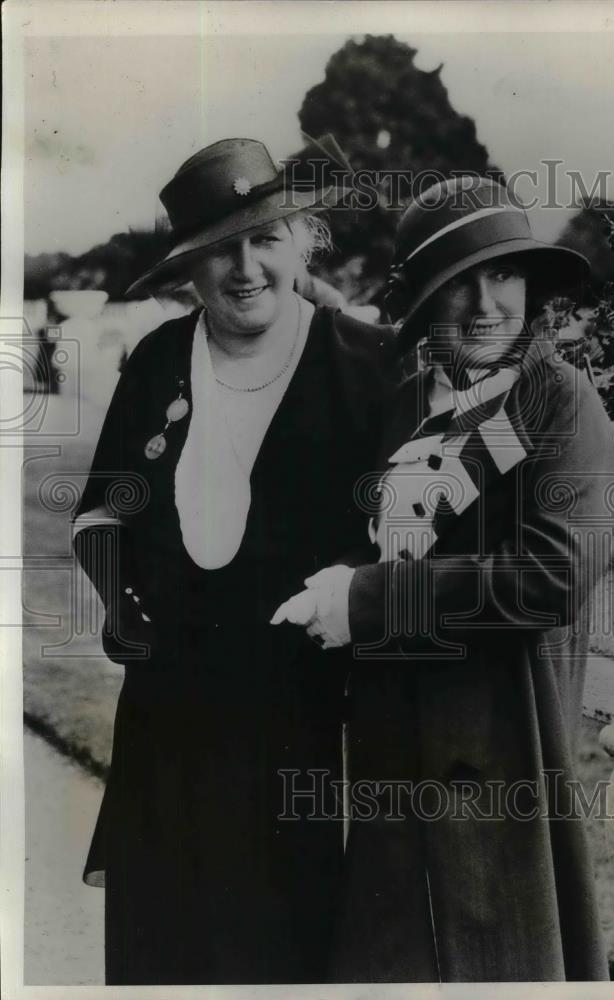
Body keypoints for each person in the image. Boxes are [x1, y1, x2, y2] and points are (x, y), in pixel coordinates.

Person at [274, 176, 614, 982]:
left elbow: (550, 578)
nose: (484, 303)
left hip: (504, 755)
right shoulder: (402, 408)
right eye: (456, 281)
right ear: (425, 301)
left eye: (501, 274)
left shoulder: (560, 404)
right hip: (395, 757)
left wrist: (363, 601)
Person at [72, 134, 396, 985]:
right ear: (190, 270)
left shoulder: (367, 369)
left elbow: (415, 544)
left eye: (265, 240)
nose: (245, 268)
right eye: (219, 252)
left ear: (304, 240)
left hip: (306, 736)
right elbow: (106, 508)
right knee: (162, 951)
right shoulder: (154, 364)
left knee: (283, 954)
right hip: (167, 729)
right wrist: (116, 603)